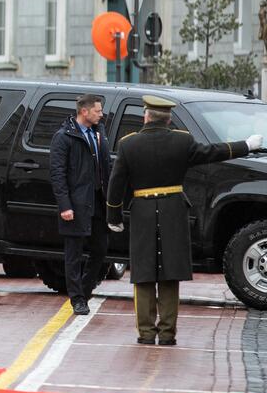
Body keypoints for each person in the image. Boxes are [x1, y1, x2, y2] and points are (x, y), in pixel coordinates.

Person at [107, 95, 261, 346]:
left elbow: (116, 185)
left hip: (143, 211)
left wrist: (114, 216)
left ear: (146, 115)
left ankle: (146, 333)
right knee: (170, 272)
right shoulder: (182, 141)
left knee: (144, 274)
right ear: (168, 119)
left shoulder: (128, 145)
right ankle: (167, 333)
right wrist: (246, 145)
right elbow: (213, 152)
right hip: (173, 211)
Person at [49, 94, 112, 316]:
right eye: (97, 110)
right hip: (75, 204)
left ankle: (84, 291)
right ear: (84, 112)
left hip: (98, 203)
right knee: (73, 254)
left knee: (101, 249)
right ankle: (77, 299)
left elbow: (106, 166)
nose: (101, 114)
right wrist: (65, 205)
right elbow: (57, 174)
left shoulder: (99, 132)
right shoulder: (63, 137)